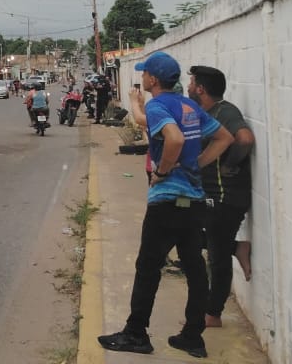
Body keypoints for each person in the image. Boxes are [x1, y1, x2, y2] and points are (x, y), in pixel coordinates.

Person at [99, 52, 233, 358]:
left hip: (167, 202)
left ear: (153, 80)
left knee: (148, 267)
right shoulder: (189, 106)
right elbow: (224, 138)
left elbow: (172, 139)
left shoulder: (159, 105)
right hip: (193, 200)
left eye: (145, 74)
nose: (143, 78)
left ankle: (136, 333)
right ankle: (192, 337)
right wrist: (197, 165)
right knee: (194, 268)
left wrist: (162, 171)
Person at [187, 65, 255, 329]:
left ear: (200, 88)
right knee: (183, 232)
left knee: (216, 257)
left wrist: (230, 165)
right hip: (210, 196)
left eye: (192, 82)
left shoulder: (225, 111)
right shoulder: (206, 113)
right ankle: (236, 247)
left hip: (225, 197)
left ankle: (212, 315)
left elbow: (245, 139)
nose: (189, 86)